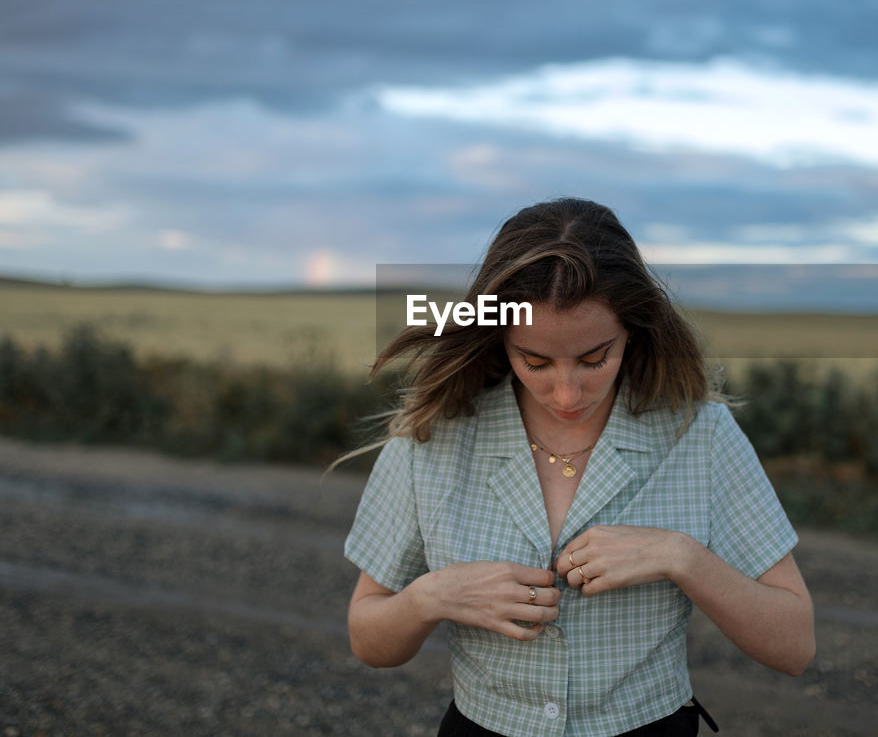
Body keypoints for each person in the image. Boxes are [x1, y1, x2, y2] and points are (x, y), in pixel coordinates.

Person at [337, 198, 814, 737]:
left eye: (594, 359)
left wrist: (681, 557)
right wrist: (432, 597)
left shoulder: (700, 434)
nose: (566, 393)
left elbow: (794, 647)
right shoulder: (433, 435)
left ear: (634, 329)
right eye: (535, 361)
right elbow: (367, 638)